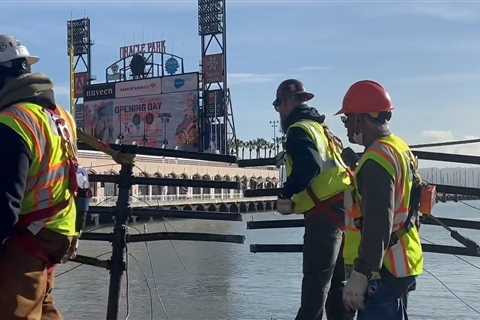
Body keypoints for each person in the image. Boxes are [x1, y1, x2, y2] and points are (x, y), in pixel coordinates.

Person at [0, 35, 79, 319]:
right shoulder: (61, 116)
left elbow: (5, 202)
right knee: (42, 307)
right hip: (59, 230)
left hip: (29, 236)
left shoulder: (12, 122)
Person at [337, 80, 423, 319]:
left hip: (382, 270)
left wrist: (361, 273)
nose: (346, 127)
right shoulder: (399, 148)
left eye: (347, 119)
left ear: (360, 119)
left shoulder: (375, 161)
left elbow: (378, 222)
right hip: (402, 262)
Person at [273, 79, 354, 320]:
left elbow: (310, 166)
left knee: (315, 286)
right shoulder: (320, 128)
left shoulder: (298, 130)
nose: (279, 112)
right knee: (338, 283)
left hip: (324, 216)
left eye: (278, 106)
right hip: (345, 212)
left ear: (287, 103)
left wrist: (286, 193)